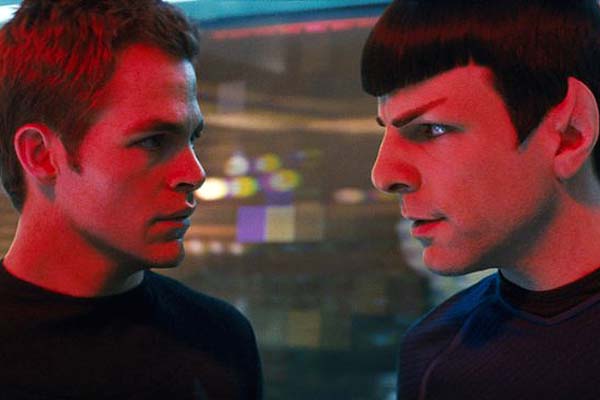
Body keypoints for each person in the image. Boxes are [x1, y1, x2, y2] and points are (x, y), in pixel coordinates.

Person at [0, 1, 262, 398]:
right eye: (153, 141)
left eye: (192, 138)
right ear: (41, 154)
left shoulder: (220, 338)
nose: (194, 174)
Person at [362, 0, 600, 398]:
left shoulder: (441, 352)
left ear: (569, 134)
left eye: (432, 129)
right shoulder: (434, 354)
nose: (384, 175)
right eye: (385, 132)